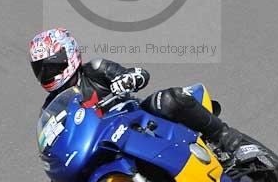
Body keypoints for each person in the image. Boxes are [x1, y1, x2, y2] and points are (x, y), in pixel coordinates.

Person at [29, 27, 241, 155]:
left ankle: (222, 134)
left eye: (51, 66)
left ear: (69, 54)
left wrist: (127, 79)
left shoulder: (95, 70)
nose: (46, 73)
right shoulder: (51, 108)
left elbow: (139, 74)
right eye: (41, 69)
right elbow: (53, 142)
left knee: (169, 99)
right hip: (103, 144)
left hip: (137, 120)